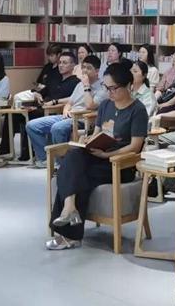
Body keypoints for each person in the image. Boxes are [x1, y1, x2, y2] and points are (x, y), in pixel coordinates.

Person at [45, 63, 148, 249]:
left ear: (128, 85)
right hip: (99, 156)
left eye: (113, 88)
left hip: (120, 164)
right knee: (73, 156)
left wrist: (107, 155)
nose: (109, 93)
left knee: (73, 174)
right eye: (106, 88)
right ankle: (69, 208)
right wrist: (88, 140)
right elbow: (98, 133)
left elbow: (135, 147)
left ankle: (69, 231)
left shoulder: (138, 110)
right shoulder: (106, 105)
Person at [26, 54, 106, 167]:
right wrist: (66, 109)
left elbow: (90, 105)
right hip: (68, 116)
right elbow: (70, 102)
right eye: (83, 67)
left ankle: (61, 164)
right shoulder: (79, 85)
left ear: (97, 71)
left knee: (57, 128)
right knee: (32, 125)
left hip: (82, 119)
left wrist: (87, 86)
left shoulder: (102, 88)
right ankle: (46, 160)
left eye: (88, 68)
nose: (84, 71)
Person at [9, 51, 80, 161]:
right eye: (60, 62)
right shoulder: (54, 79)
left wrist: (54, 102)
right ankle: (6, 149)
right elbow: (42, 91)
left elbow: (72, 100)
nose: (61, 65)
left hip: (54, 110)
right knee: (13, 115)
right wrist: (37, 94)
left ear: (73, 65)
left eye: (65, 63)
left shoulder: (76, 82)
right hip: (41, 106)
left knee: (32, 116)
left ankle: (35, 154)